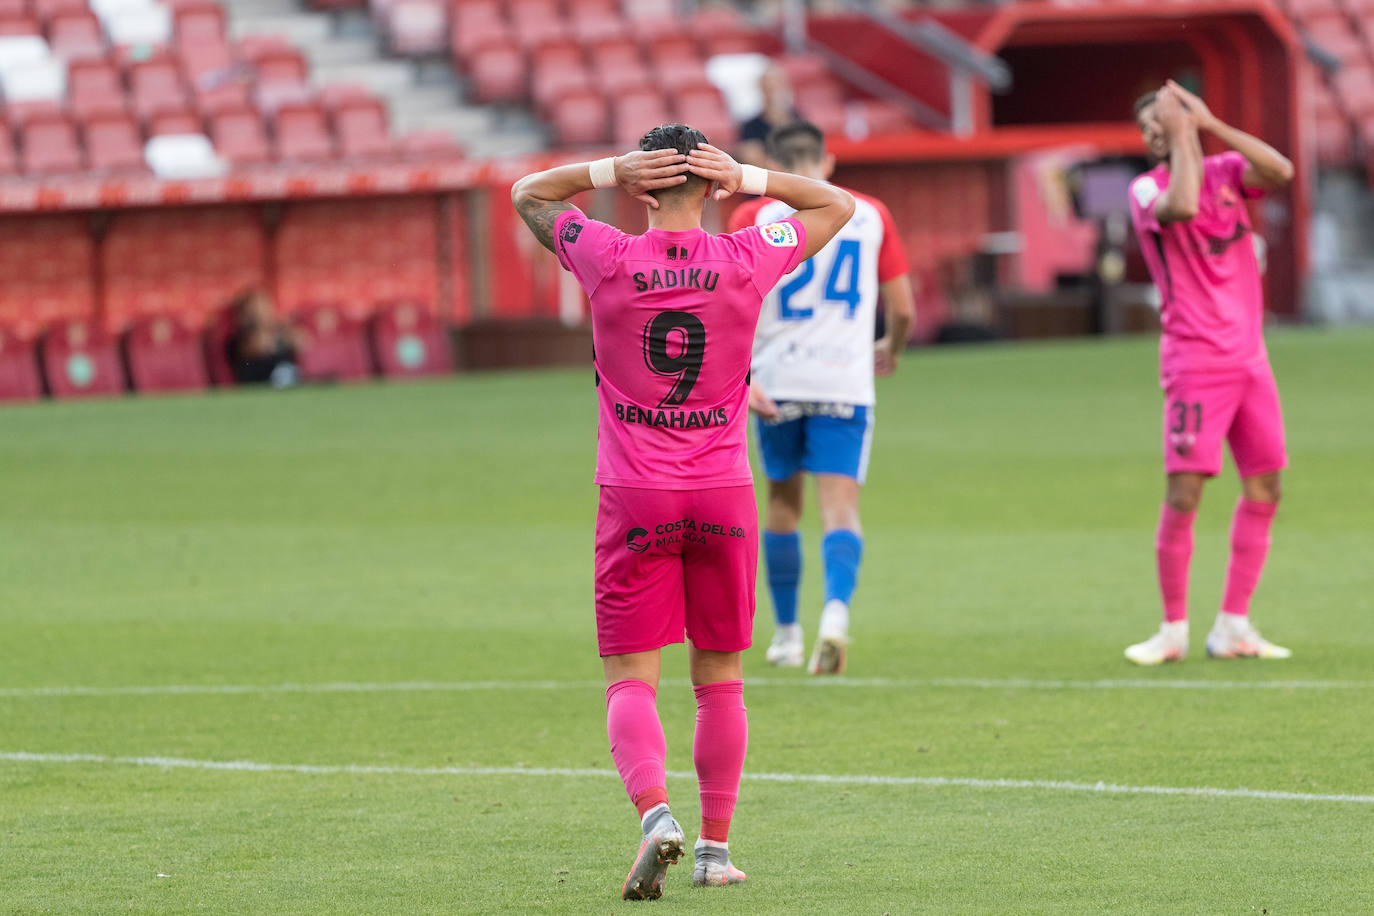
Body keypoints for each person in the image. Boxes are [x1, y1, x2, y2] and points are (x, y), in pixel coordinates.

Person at [510, 124, 853, 899]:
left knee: (630, 677)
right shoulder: (747, 256)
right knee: (720, 682)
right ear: (710, 185)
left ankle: (655, 812)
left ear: (642, 185)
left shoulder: (605, 255)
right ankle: (713, 849)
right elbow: (836, 203)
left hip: (634, 495)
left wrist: (605, 170)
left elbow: (528, 193)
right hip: (723, 493)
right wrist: (751, 178)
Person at [727, 121, 915, 675]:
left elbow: (732, 299)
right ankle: (835, 616)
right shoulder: (870, 214)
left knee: (783, 505)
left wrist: (742, 375)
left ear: (773, 162)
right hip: (843, 382)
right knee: (841, 509)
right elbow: (902, 308)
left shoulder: (752, 217)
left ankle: (786, 635)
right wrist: (892, 348)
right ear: (827, 163)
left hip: (776, 382)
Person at [1123, 80, 1295, 665]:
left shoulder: (1226, 169)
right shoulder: (1147, 188)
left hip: (1250, 358)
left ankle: (1233, 625)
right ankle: (1172, 630)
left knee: (1267, 484)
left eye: (1161, 121)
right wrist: (1183, 137)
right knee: (1186, 492)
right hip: (1195, 361)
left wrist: (1211, 123)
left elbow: (1282, 172)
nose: (1154, 133)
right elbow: (1184, 207)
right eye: (1149, 126)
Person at [225, 288, 303, 387]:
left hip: (284, 375)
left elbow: (301, 341)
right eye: (256, 308)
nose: (262, 312)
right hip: (257, 380)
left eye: (264, 306)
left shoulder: (279, 328)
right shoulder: (241, 335)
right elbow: (260, 346)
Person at [736, 63, 801, 168]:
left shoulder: (798, 120)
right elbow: (748, 153)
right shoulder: (751, 125)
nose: (772, 92)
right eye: (768, 87)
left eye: (776, 86)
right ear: (761, 90)